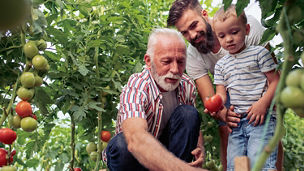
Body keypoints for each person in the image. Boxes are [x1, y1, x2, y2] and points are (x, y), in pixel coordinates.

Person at [167, 0, 284, 170]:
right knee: (227, 129)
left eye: (194, 26)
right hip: (230, 87)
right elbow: (210, 96)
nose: (192, 35)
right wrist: (222, 113)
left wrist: (264, 104)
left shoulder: (244, 26)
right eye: (184, 32)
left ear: (205, 15)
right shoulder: (193, 55)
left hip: (259, 82)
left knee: (266, 127)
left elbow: (273, 77)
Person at [103, 28, 207, 171]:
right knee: (122, 144)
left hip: (171, 156)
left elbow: (192, 125)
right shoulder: (137, 86)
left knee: (189, 113)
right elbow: (135, 138)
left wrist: (199, 147)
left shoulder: (186, 85)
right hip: (136, 160)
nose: (175, 69)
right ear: (148, 61)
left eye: (181, 61)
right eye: (167, 61)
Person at [211, 5, 280, 170]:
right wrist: (216, 104)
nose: (228, 39)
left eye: (234, 32)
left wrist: (263, 104)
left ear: (247, 29)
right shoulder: (220, 65)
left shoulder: (259, 54)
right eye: (222, 35)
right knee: (236, 166)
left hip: (261, 120)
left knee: (260, 163)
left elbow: (276, 81)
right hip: (236, 124)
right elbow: (221, 94)